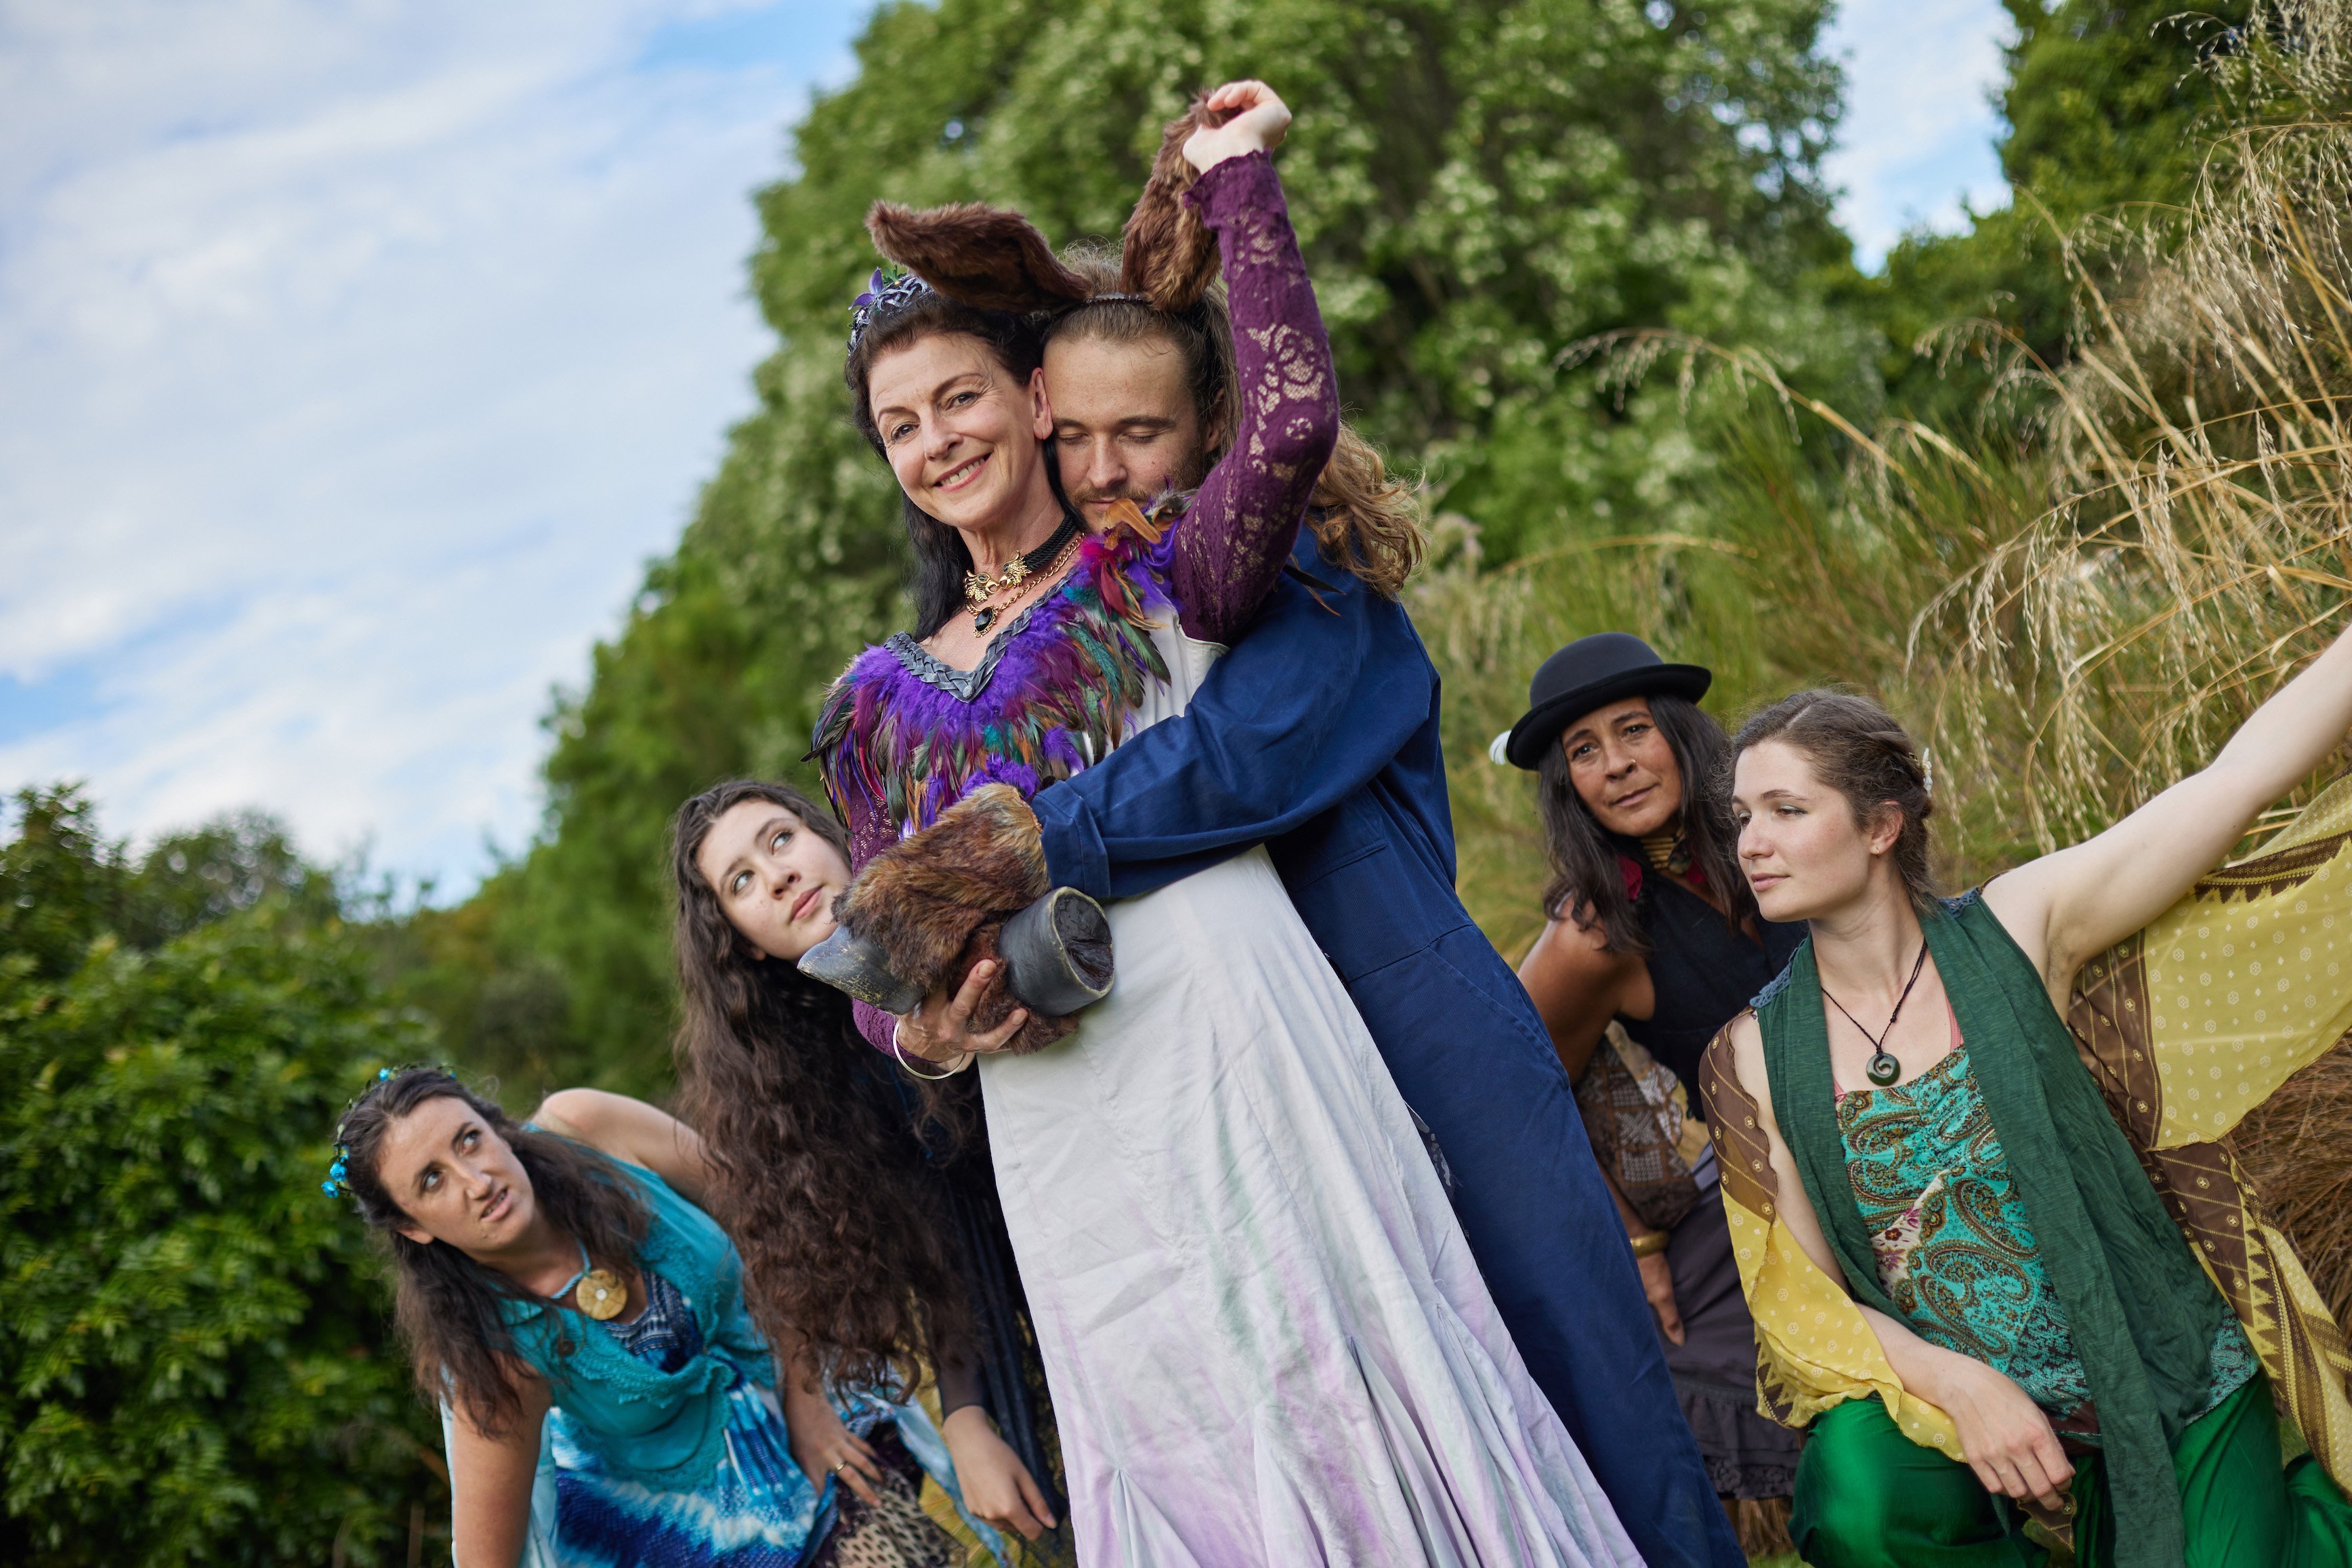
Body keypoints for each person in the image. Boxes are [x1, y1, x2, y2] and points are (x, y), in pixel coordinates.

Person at [810, 81, 1638, 1565]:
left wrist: (1232, 189)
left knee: (1342, 1368)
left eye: (960, 399)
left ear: (1031, 401)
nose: (935, 440)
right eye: (897, 424)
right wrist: (937, 1032)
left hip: (1235, 1038)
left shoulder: (1162, 569)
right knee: (1177, 1421)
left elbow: (1287, 427)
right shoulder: (871, 703)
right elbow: (874, 969)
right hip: (1058, 1113)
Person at [1003, 272, 1745, 1565]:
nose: (1102, 469)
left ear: (1214, 428)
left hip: (1426, 1045)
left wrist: (1000, 844)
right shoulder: (1101, 632)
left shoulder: (1313, 584)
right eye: (1070, 437)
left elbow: (1233, 770)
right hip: (1264, 1082)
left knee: (1589, 1414)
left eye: (1143, 432)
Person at [1699, 675, 2352, 1567]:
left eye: (1785, 808)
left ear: (1880, 825)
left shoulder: (2022, 924)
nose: (1752, 842)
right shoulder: (1753, 1057)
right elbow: (1813, 1303)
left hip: (2163, 1371)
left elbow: (2234, 779)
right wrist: (1960, 1385)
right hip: (1959, 1417)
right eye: (1743, 815)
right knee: (1856, 1488)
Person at [327, 1067, 1013, 1567]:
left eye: (469, 1139)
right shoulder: (494, 1358)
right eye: (431, 1180)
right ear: (413, 1227)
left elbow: (768, 1219)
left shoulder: (589, 1128)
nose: (476, 1180)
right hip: (680, 1531)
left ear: (497, 1128)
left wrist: (807, 1399)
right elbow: (487, 1556)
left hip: (805, 1396)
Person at [669, 777, 1070, 1563]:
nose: (776, 874)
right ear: (744, 940)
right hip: (1040, 1324)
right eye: (740, 881)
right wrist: (964, 1414)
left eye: (779, 838)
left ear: (833, 838)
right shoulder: (812, 1076)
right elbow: (947, 1237)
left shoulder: (971, 890)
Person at [1505, 633, 1805, 1525]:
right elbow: (1525, 1092)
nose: (1616, 764)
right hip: (1773, 1191)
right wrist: (1632, 1236)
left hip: (1905, 1139)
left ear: (1679, 734)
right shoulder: (1595, 935)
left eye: (1632, 730)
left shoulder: (1781, 832)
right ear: (1569, 786)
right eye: (1584, 751)